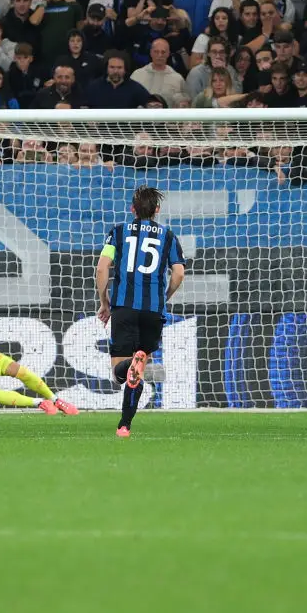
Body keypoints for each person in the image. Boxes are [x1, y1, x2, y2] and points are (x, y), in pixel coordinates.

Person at [96, 185, 185, 437]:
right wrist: (164, 297)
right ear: (157, 210)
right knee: (140, 366)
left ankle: (130, 367)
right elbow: (178, 272)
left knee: (119, 374)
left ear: (132, 209)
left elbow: (102, 268)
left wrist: (104, 302)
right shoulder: (168, 236)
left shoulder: (118, 232)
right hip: (152, 311)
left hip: (124, 307)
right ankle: (124, 425)